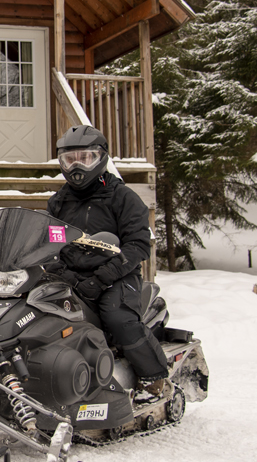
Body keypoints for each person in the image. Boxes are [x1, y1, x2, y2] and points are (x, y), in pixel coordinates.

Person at [47, 125, 170, 396]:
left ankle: (155, 378)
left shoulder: (122, 197)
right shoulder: (58, 201)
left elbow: (137, 246)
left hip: (117, 276)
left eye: (85, 157)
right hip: (70, 276)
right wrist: (58, 269)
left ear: (101, 158)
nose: (77, 165)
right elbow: (49, 242)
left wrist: (102, 277)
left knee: (118, 319)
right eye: (70, 159)